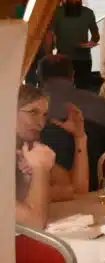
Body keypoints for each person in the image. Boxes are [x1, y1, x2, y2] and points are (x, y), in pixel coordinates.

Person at [37, 55, 105, 167]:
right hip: (93, 174)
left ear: (40, 77)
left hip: (41, 173)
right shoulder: (98, 103)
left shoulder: (29, 107)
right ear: (72, 75)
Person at [15, 85, 88, 214]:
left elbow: (77, 190)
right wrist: (52, 192)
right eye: (33, 112)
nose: (41, 123)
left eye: (44, 115)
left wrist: (80, 138)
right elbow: (32, 215)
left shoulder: (31, 150)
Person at [48, 0, 100, 89]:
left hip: (83, 59)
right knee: (63, 91)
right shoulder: (57, 13)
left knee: (83, 91)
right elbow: (50, 34)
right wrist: (49, 54)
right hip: (62, 59)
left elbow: (96, 35)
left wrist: (91, 43)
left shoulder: (88, 13)